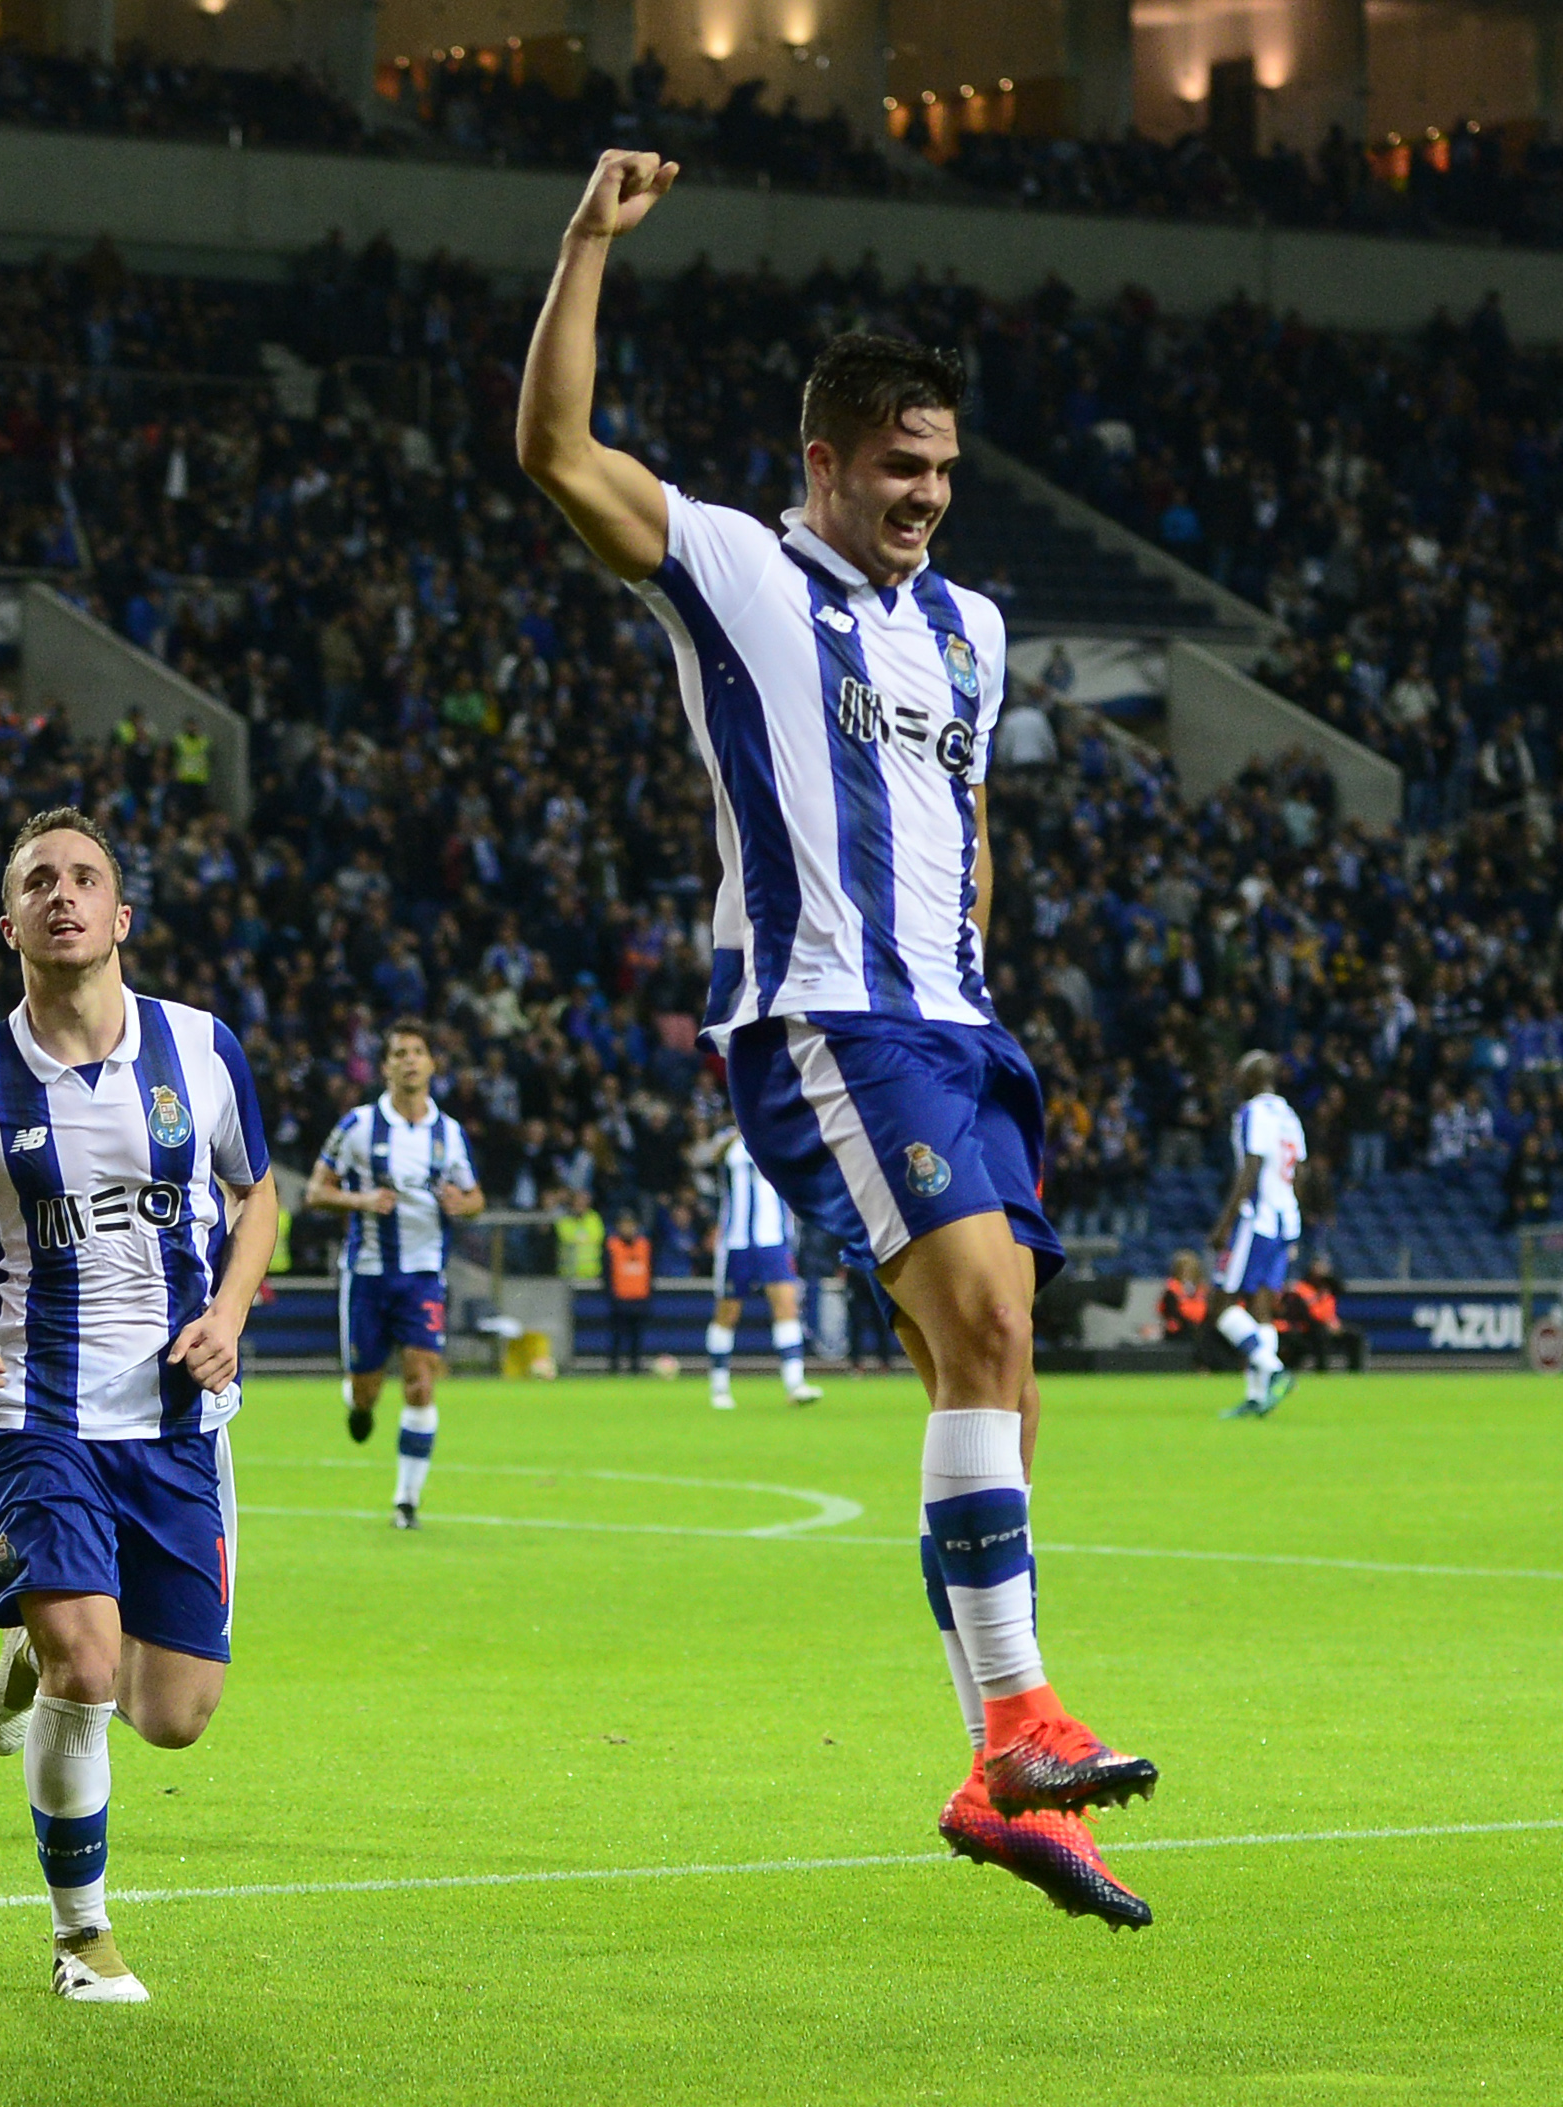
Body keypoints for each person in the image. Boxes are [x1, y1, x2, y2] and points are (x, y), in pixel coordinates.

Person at [516, 150, 1156, 1929]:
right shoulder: (729, 565)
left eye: (943, 470)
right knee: (976, 1321)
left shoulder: (973, 629)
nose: (925, 498)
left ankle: (998, 1773)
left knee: (1008, 1377)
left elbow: (962, 817)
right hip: (819, 1011)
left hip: (955, 1022)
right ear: (823, 460)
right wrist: (582, 248)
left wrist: (971, 963)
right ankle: (1020, 1721)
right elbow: (554, 455)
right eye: (897, 466)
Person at [0, 807, 279, 2005]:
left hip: (172, 1425)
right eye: (37, 882)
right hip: (35, 1415)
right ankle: (81, 1936)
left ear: (120, 917)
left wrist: (232, 1311)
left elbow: (255, 1195)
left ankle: (26, 1645)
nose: (63, 895)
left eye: (84, 878)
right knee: (89, 1667)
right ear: (8, 923)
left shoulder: (201, 1050)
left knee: (174, 1717)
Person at [303, 1020, 483, 1528]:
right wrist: (360, 1199)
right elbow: (316, 1191)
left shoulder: (449, 1134)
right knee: (368, 1390)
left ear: (431, 1064)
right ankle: (359, 1406)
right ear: (384, 1067)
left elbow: (476, 1197)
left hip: (425, 1275)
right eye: (399, 1053)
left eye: (418, 1052)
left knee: (422, 1382)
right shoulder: (357, 1126)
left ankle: (406, 1501)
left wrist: (459, 1203)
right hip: (368, 1275)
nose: (409, 1060)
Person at [689, 1124, 824, 1410]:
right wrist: (739, 1132)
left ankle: (794, 1384)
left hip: (773, 1240)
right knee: (728, 1312)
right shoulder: (729, 1139)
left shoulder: (779, 1135)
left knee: (786, 1306)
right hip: (736, 1242)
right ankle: (719, 1386)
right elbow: (709, 1158)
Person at [1209, 1050, 1307, 1420]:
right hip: (1285, 1218)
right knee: (1261, 1306)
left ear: (1252, 1079)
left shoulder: (1254, 1113)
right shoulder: (1289, 1115)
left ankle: (1275, 1369)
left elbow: (1251, 1167)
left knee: (1222, 1306)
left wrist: (1225, 1223)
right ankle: (1258, 1396)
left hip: (1257, 1219)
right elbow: (1300, 1171)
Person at [1278, 1258, 1364, 1374]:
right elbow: (1306, 1315)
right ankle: (1322, 1370)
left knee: (1355, 1335)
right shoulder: (1302, 1289)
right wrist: (1326, 1324)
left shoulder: (1328, 1289)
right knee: (1320, 1333)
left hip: (1329, 1325)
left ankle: (1356, 1371)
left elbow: (1338, 1293)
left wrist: (1333, 1324)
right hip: (1308, 1328)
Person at [603, 1209, 655, 1374]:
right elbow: (606, 1273)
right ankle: (614, 1367)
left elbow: (651, 1271)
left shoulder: (645, 1245)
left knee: (637, 1337)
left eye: (630, 1225)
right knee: (617, 1336)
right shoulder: (612, 1245)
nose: (627, 1228)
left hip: (640, 1297)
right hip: (620, 1298)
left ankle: (635, 1368)